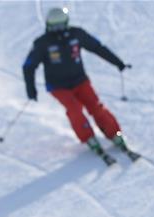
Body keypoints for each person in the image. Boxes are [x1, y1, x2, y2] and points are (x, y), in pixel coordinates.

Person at [23, 6, 133, 161]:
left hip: (80, 80)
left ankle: (114, 133)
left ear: (66, 23)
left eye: (61, 26)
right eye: (54, 27)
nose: (58, 30)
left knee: (96, 106)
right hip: (58, 86)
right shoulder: (43, 43)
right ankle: (88, 137)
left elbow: (97, 47)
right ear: (48, 25)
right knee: (75, 109)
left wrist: (118, 62)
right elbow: (28, 66)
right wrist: (31, 89)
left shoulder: (76, 34)